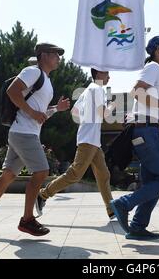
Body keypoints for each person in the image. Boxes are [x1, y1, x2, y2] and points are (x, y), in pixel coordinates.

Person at [0, 43, 71, 237]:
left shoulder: (46, 80)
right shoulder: (32, 71)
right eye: (55, 54)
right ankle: (27, 220)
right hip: (24, 133)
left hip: (24, 132)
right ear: (43, 56)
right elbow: (12, 91)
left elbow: (39, 115)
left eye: (59, 55)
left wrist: (55, 109)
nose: (59, 58)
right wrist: (33, 112)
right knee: (42, 172)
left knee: (8, 175)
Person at [109, 36, 159, 240]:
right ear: (158, 50)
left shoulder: (156, 71)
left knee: (153, 182)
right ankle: (125, 203)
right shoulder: (153, 67)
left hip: (146, 129)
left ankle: (138, 226)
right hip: (148, 132)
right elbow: (137, 91)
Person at [35, 69, 116, 219]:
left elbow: (74, 112)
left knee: (103, 174)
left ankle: (112, 210)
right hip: (89, 140)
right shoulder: (98, 89)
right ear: (98, 74)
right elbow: (104, 114)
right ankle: (43, 195)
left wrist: (87, 119)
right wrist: (112, 106)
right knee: (75, 174)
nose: (109, 77)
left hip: (91, 140)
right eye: (106, 73)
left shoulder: (87, 91)